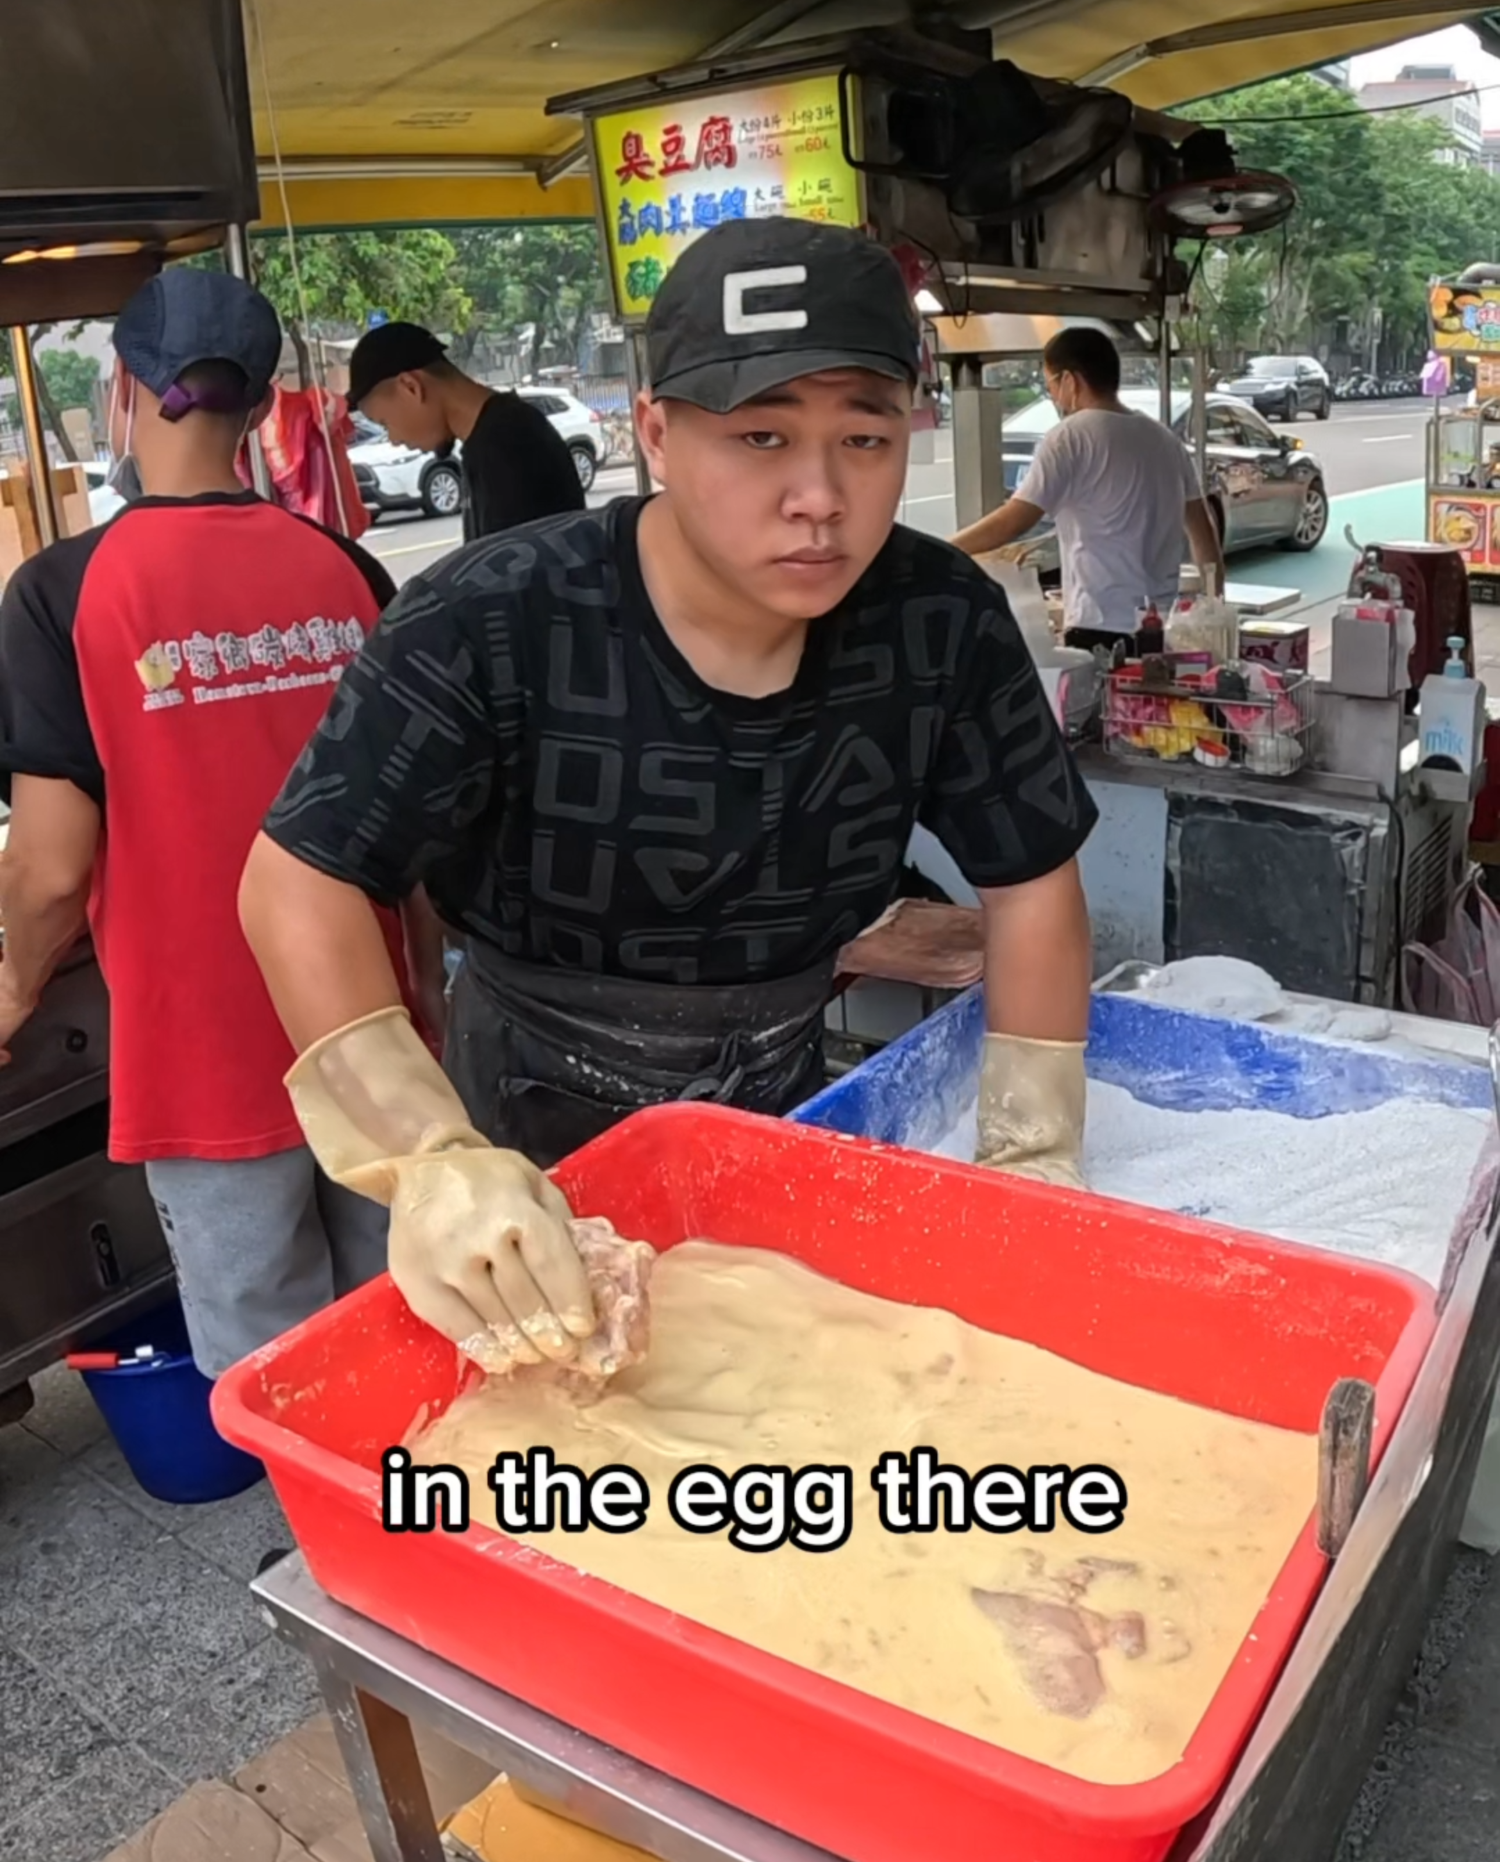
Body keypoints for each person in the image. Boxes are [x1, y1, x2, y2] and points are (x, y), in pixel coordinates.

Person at [238, 217, 1099, 1370]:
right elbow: (298, 878)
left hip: (782, 1079)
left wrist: (1031, 1158)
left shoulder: (938, 622)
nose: (819, 495)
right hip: (531, 1103)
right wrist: (427, 1155)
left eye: (864, 435)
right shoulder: (491, 618)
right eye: (759, 435)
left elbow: (1032, 875)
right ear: (653, 432)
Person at [0, 265, 436, 1380]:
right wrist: (424, 996)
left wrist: (10, 985)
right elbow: (413, 824)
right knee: (404, 1326)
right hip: (367, 1024)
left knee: (279, 1369)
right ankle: (413, 1532)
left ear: (125, 393)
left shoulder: (63, 592)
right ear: (259, 406)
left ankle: (325, 1547)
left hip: (202, 1051)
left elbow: (51, 867)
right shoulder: (345, 569)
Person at [951, 327, 1225, 653]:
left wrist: (941, 549)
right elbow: (1203, 533)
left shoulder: (1069, 437)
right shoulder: (1166, 441)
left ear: (1070, 381)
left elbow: (1015, 519)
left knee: (1102, 706)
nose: (1052, 395)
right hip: (1162, 630)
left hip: (1099, 629)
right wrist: (1215, 613)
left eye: (1050, 383)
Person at [344, 322, 586, 543]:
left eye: (386, 423)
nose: (395, 440)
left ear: (411, 387)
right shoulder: (489, 437)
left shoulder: (508, 444)